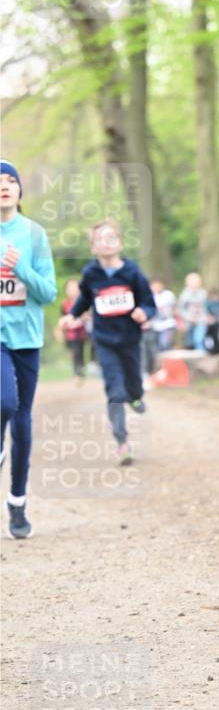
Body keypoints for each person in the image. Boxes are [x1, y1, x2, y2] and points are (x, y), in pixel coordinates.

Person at [59, 219, 155, 465]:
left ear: (120, 243)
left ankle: (136, 395)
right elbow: (84, 300)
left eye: (112, 237)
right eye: (101, 239)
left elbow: (148, 301)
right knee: (114, 390)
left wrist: (143, 312)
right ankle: (122, 442)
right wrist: (72, 316)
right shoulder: (91, 274)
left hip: (130, 339)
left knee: (133, 385)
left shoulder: (132, 272)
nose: (107, 242)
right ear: (93, 248)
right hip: (104, 340)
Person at [0, 159, 57, 538]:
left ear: (21, 190)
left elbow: (48, 293)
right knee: (6, 402)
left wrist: (21, 269)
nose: (4, 186)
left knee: (23, 424)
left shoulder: (34, 234)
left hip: (28, 340)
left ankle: (18, 504)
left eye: (10, 181)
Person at [61, 278, 88, 381]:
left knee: (81, 352)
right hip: (70, 335)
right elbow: (62, 319)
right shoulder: (65, 304)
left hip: (82, 333)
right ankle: (76, 372)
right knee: (74, 353)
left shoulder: (83, 303)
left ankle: (81, 371)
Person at [178, 272, 208, 351]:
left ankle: (201, 355)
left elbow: (206, 308)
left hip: (201, 320)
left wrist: (205, 317)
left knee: (199, 340)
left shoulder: (203, 293)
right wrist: (187, 318)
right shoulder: (184, 295)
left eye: (196, 282)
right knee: (189, 342)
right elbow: (181, 309)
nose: (195, 284)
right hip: (188, 322)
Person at [204, 287, 219, 355]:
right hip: (210, 323)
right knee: (210, 337)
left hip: (218, 323)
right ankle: (211, 350)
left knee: (218, 337)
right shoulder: (208, 303)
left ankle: (218, 349)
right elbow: (207, 312)